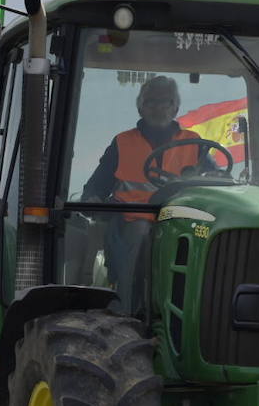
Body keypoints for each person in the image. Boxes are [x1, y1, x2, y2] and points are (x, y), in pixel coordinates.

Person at [80, 75, 213, 308]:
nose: (159, 108)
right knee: (142, 234)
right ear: (140, 108)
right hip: (132, 222)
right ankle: (129, 308)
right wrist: (94, 201)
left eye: (166, 102)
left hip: (180, 222)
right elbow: (95, 188)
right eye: (151, 102)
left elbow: (217, 178)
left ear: (176, 107)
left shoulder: (194, 143)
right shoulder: (123, 143)